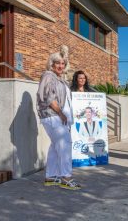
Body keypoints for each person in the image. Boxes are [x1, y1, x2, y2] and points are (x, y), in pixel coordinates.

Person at [36, 45, 81, 190]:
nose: (61, 66)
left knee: (55, 147)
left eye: (63, 63)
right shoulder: (48, 76)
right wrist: (61, 113)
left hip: (58, 117)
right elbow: (48, 98)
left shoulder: (59, 78)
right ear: (52, 64)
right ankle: (66, 177)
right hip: (53, 116)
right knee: (65, 145)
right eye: (58, 63)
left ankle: (50, 176)